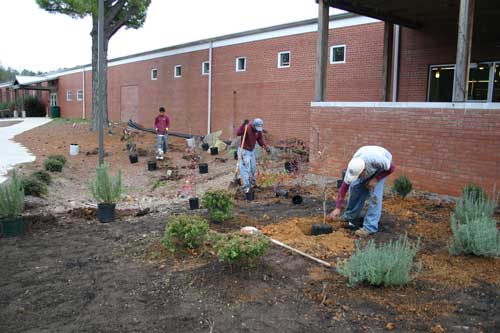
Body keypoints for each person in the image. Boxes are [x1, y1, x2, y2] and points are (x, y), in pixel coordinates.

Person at [329, 145, 395, 237]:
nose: (358, 177)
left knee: (375, 196)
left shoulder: (378, 161)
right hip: (365, 155)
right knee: (355, 187)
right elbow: (343, 188)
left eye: (359, 175)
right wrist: (338, 207)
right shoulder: (353, 168)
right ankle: (350, 216)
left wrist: (376, 179)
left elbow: (391, 168)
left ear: (364, 170)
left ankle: (370, 227)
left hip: (381, 168)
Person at [236, 118, 270, 193]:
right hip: (244, 151)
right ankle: (246, 188)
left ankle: (253, 184)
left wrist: (265, 147)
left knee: (252, 168)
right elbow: (238, 133)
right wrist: (243, 125)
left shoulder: (258, 131)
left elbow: (260, 139)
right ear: (254, 125)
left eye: (259, 128)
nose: (258, 130)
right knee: (245, 169)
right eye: (257, 128)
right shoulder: (247, 128)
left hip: (251, 151)